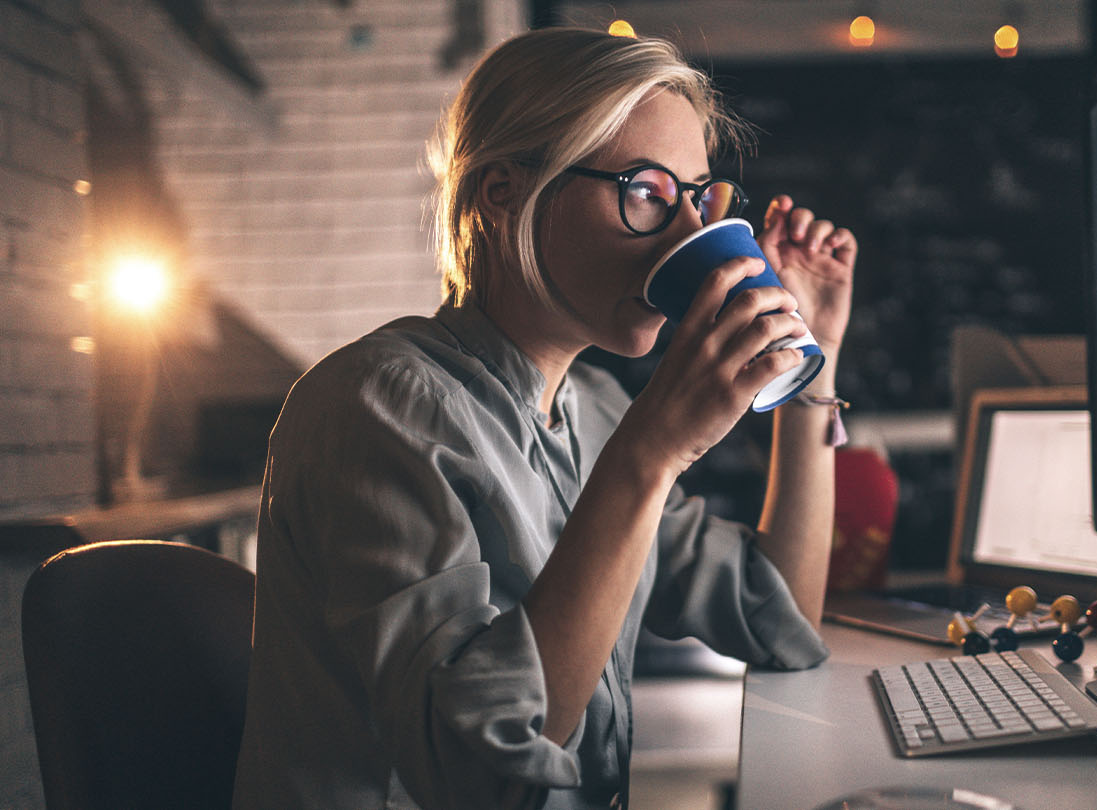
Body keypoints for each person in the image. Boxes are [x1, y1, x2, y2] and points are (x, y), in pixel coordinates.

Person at [232, 26, 857, 810]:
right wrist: (652, 453)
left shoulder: (594, 409)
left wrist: (810, 367)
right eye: (645, 192)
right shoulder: (376, 405)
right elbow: (482, 779)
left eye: (698, 198)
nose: (693, 236)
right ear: (503, 192)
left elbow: (780, 621)